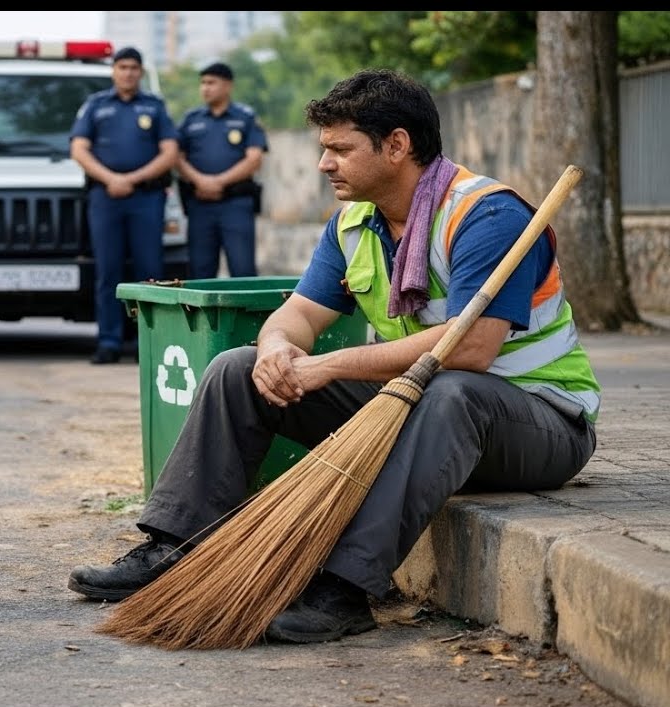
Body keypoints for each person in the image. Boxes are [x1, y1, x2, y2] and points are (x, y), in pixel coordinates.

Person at [67, 68, 602, 644]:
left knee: (453, 392)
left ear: (397, 145)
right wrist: (274, 348)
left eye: (340, 149)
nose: (324, 164)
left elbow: (468, 347)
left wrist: (325, 365)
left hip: (539, 422)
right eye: (325, 149)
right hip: (419, 407)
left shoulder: (487, 216)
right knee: (236, 370)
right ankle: (175, 547)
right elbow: (297, 315)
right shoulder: (353, 223)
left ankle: (345, 589)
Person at [69, 46, 179, 365]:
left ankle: (150, 343)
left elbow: (170, 152)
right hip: (106, 198)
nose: (128, 73)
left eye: (133, 68)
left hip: (146, 198)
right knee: (108, 271)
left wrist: (131, 178)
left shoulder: (154, 106)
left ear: (140, 72)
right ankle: (109, 341)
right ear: (113, 71)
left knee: (150, 273)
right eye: (122, 67)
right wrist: (111, 179)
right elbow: (78, 149)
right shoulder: (96, 105)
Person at [176, 61, 269, 279]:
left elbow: (254, 159)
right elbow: (177, 157)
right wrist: (200, 181)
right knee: (200, 273)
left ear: (228, 86)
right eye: (202, 83)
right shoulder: (191, 119)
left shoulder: (245, 117)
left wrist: (218, 182)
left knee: (243, 271)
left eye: (211, 82)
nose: (205, 88)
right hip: (200, 205)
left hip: (235, 204)